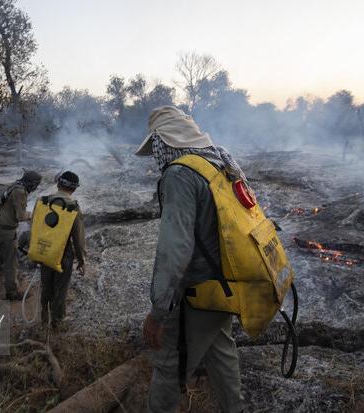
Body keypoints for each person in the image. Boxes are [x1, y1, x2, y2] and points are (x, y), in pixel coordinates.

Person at [136, 106, 245, 413]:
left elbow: (176, 250)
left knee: (169, 366)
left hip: (197, 295)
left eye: (156, 145)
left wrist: (158, 312)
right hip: (225, 288)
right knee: (221, 352)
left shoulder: (180, 174)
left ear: (164, 141)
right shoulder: (218, 163)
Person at [39, 171, 86, 328]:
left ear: (58, 183)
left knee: (46, 285)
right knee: (60, 288)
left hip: (44, 250)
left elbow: (35, 226)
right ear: (73, 189)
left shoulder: (43, 201)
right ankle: (57, 322)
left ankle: (44, 318)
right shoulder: (73, 207)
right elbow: (78, 238)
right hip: (63, 254)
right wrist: (81, 261)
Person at [0, 170, 42, 300]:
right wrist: (34, 214)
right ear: (32, 184)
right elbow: (21, 216)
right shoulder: (20, 191)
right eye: (36, 185)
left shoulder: (14, 186)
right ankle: (12, 293)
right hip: (5, 232)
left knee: (10, 258)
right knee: (11, 263)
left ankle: (11, 282)